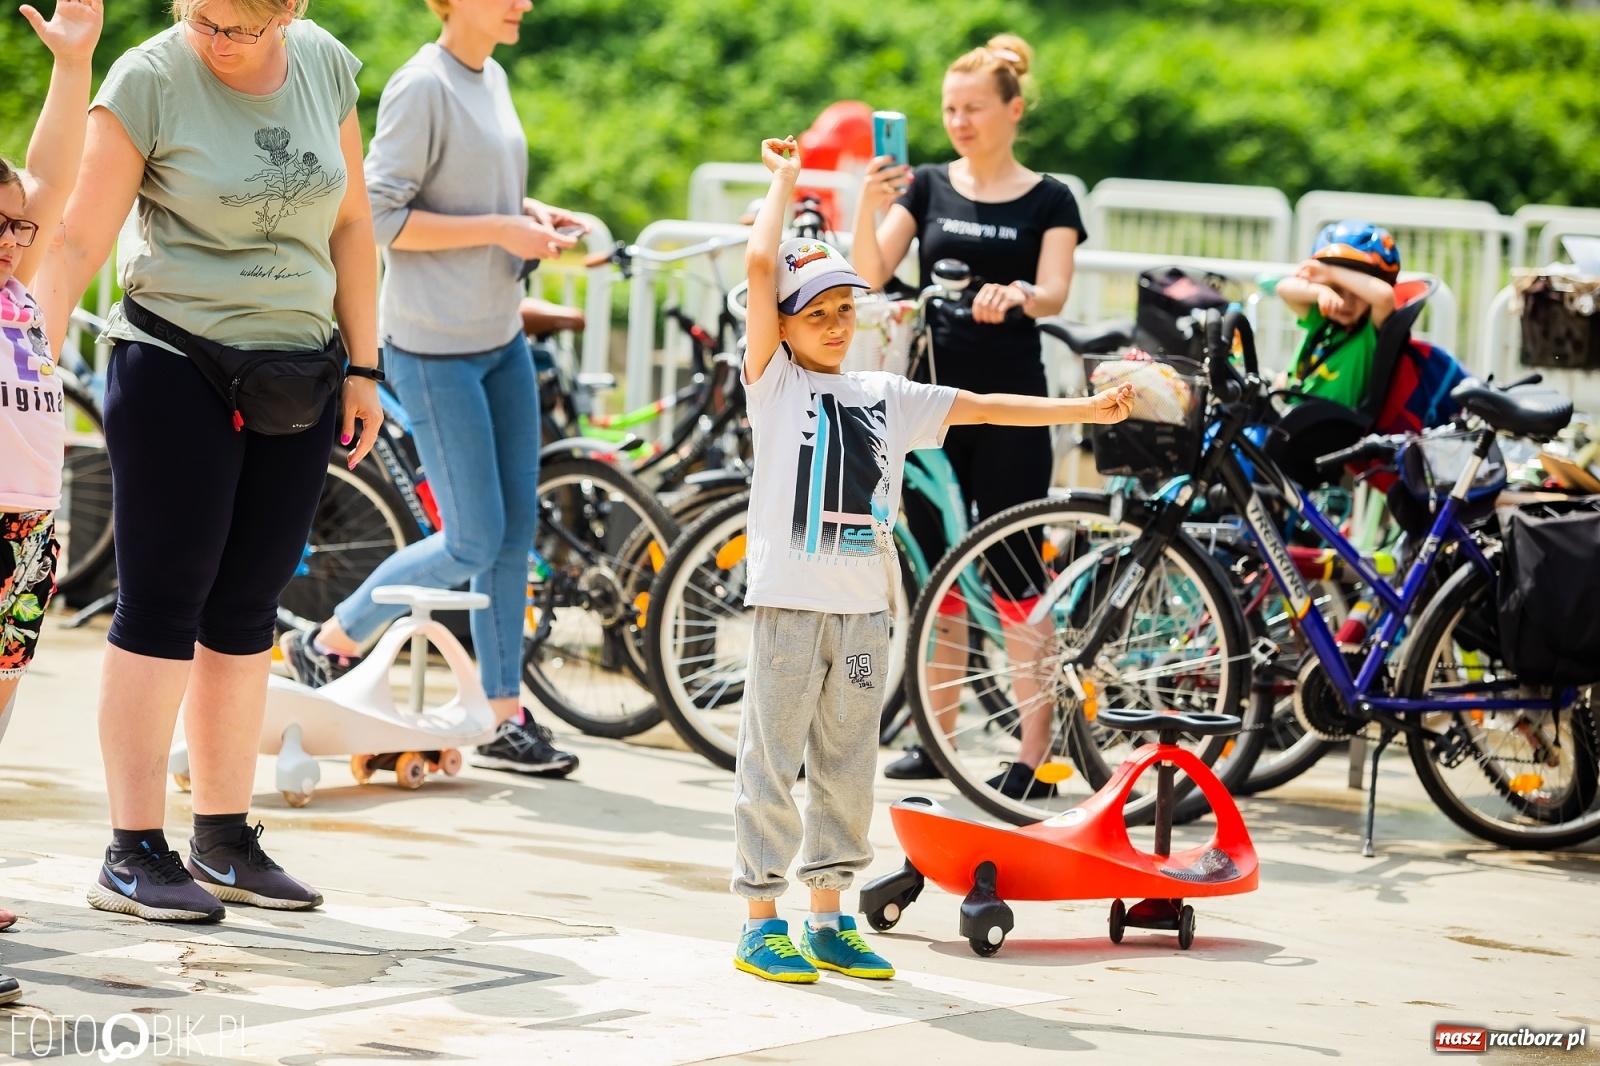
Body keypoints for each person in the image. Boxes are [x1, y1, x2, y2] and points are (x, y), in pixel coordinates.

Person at [733, 136, 1132, 984]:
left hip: (867, 613)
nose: (836, 325)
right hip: (788, 606)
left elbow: (987, 405)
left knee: (846, 766)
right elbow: (764, 260)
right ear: (783, 324)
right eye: (817, 314)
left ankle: (829, 914)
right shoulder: (773, 384)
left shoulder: (885, 393)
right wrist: (786, 180)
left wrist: (1085, 405)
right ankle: (760, 917)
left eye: (845, 309)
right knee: (772, 759)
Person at [50, 0, 385, 923]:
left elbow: (352, 224)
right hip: (173, 359)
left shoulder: (324, 63)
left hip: (298, 369)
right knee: (163, 600)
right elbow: (79, 234)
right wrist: (33, 361)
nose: (215, 42)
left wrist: (365, 365)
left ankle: (226, 837)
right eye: (199, 17)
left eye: (239, 28)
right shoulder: (148, 78)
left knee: (246, 608)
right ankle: (132, 849)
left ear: (291, 12)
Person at [277, 0, 581, 778]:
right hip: (432, 347)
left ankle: (503, 714)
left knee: (514, 537)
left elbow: (472, 196)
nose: (524, 4)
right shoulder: (422, 86)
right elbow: (377, 216)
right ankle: (329, 639)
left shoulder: (494, 75)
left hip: (500, 338)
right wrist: (498, 229)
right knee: (474, 538)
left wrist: (529, 216)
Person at [850, 34, 1088, 797]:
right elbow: (869, 274)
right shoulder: (924, 186)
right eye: (950, 109)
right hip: (932, 409)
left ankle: (1036, 760)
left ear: (1013, 111)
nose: (959, 121)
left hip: (1013, 407)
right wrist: (869, 201)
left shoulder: (1052, 198)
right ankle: (937, 738)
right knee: (937, 586)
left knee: (1020, 584)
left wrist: (1017, 294)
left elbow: (1054, 291)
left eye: (974, 108)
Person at [0, 0, 103, 1004]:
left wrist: (73, 66)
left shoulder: (26, 297)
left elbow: (56, 184)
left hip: (29, 536)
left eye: (12, 226)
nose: (7, 236)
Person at [1276, 220, 1400, 409]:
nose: (1345, 302)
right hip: (1288, 411)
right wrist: (1319, 292)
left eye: (1357, 293)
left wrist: (1330, 273)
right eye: (1336, 290)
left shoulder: (1369, 333)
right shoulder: (1321, 317)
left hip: (1326, 427)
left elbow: (1384, 296)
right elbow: (1284, 288)